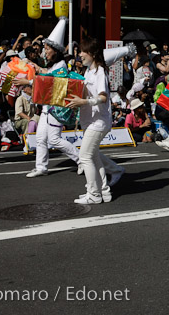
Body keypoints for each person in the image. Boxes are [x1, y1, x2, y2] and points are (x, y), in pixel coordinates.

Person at [14, 18, 81, 177]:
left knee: (55, 140)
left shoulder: (61, 66)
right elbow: (45, 75)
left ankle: (81, 160)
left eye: (47, 48)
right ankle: (41, 167)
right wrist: (35, 67)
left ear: (55, 50)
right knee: (40, 138)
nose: (44, 51)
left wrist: (28, 80)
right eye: (44, 48)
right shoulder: (52, 65)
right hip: (47, 107)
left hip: (57, 108)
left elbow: (50, 83)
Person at [67, 37, 116, 204]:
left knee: (85, 156)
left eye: (83, 51)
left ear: (93, 54)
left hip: (99, 121)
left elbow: (103, 97)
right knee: (93, 156)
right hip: (90, 121)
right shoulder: (88, 72)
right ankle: (104, 191)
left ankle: (94, 194)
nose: (80, 54)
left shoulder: (100, 72)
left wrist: (84, 102)